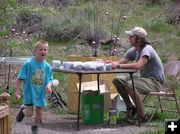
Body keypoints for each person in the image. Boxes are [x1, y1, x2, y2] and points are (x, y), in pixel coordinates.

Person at [107, 27, 164, 121]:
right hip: (145, 79)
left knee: (130, 84)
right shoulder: (134, 50)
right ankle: (130, 108)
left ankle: (141, 116)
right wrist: (111, 63)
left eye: (131, 36)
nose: (129, 38)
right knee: (117, 80)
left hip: (155, 82)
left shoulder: (147, 49)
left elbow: (138, 66)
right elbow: (119, 63)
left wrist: (117, 66)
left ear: (138, 38)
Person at [16, 40, 53, 133]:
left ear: (47, 52)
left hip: (41, 93)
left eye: (45, 50)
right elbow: (20, 78)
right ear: (35, 51)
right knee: (29, 113)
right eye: (40, 49)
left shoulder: (47, 66)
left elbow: (50, 79)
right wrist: (17, 90)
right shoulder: (28, 64)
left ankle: (35, 126)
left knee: (39, 113)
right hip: (29, 92)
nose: (43, 52)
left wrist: (49, 86)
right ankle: (23, 111)